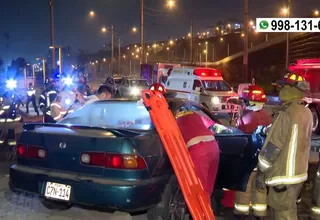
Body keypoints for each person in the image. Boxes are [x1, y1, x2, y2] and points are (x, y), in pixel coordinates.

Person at [256, 71, 313, 220]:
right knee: (288, 210)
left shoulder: (286, 113)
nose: (280, 91)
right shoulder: (306, 111)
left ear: (290, 90)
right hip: (298, 175)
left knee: (283, 213)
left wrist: (261, 171)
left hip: (283, 177)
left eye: (283, 88)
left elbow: (273, 147)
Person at [234, 85, 272, 220]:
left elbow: (240, 141)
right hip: (263, 162)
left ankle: (241, 214)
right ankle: (259, 214)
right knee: (260, 188)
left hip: (248, 162)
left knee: (244, 188)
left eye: (244, 101)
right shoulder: (268, 117)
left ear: (250, 102)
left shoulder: (246, 119)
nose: (243, 104)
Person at [175, 110, 220, 201]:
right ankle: (207, 210)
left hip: (199, 149)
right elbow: (211, 124)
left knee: (199, 186)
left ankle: (201, 210)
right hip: (213, 145)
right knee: (208, 185)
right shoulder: (194, 113)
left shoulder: (173, 121)